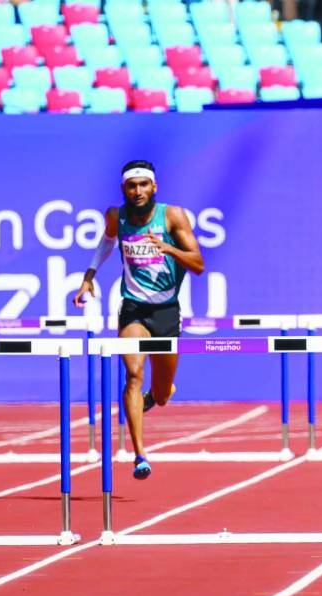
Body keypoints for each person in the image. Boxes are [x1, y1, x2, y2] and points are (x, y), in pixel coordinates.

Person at [73, 160, 205, 480]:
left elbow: (198, 264)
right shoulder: (116, 217)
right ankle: (140, 455)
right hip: (133, 307)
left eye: (143, 185)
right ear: (124, 190)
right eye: (132, 186)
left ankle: (158, 394)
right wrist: (89, 276)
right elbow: (106, 241)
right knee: (133, 373)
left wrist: (167, 249)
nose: (138, 191)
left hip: (166, 311)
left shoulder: (172, 216)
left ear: (154, 187)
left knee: (160, 395)